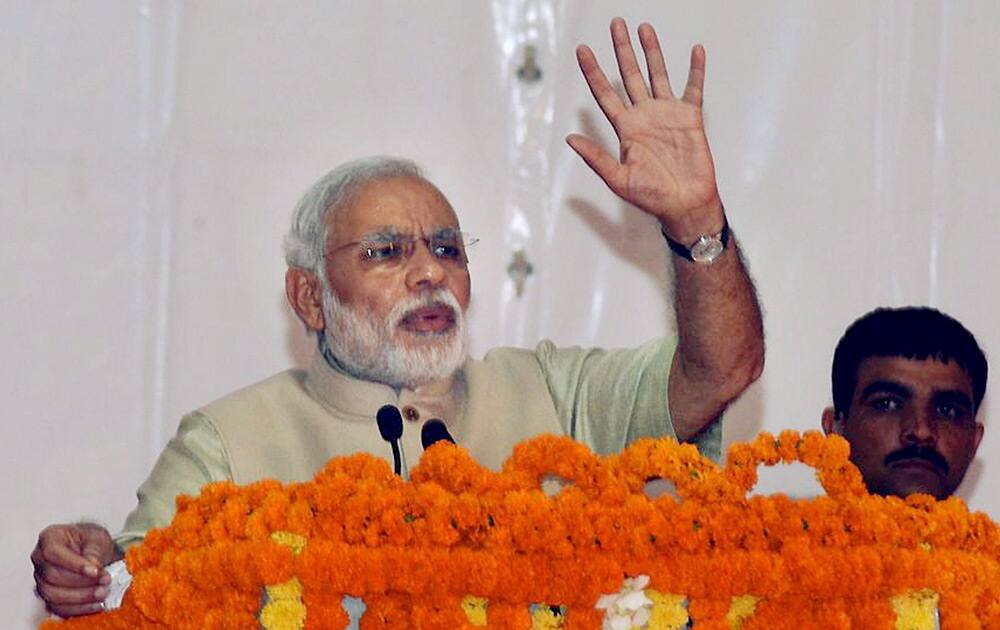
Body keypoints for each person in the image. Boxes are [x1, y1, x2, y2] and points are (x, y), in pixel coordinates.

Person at [32, 18, 764, 618]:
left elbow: (720, 368)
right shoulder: (230, 440)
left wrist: (697, 221)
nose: (430, 272)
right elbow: (128, 585)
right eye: (387, 251)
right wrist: (91, 557)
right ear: (310, 297)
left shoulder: (549, 392)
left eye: (448, 249)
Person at [822, 306, 986, 500]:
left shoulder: (990, 531)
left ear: (974, 441)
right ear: (836, 429)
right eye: (887, 404)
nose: (922, 432)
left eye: (947, 411)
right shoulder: (785, 528)